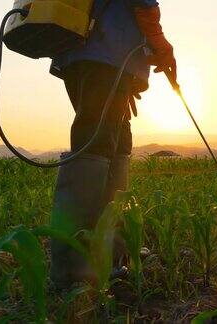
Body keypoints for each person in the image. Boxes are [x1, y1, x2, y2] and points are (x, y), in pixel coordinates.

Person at [48, 0, 176, 290]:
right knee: (95, 144)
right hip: (105, 56)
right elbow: (144, 4)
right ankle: (73, 271)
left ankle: (112, 254)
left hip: (92, 55)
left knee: (116, 143)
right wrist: (161, 44)